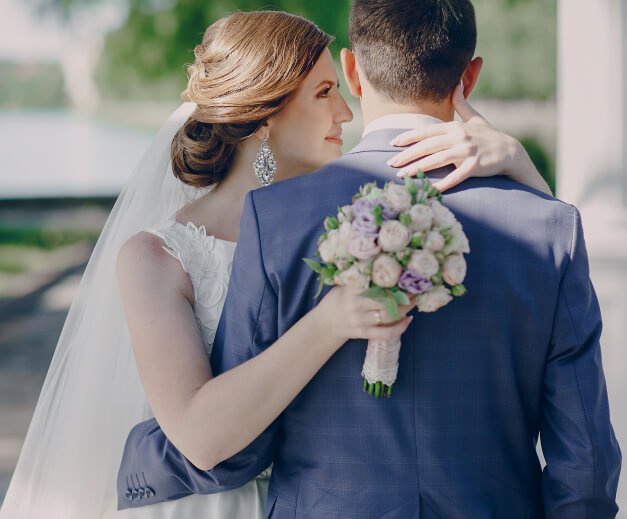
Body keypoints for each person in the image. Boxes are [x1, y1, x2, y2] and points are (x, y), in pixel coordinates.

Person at [0, 9, 555, 519]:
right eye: (324, 93)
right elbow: (198, 437)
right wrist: (331, 320)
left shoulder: (352, 223)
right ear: (263, 119)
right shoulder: (156, 257)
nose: (346, 112)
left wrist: (519, 164)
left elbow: (527, 246)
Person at [118, 1, 622, 518]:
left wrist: (140, 461)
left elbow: (239, 451)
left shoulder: (272, 221)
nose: (339, 110)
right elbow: (585, 464)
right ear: (470, 76)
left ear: (353, 70)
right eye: (323, 92)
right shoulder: (549, 226)